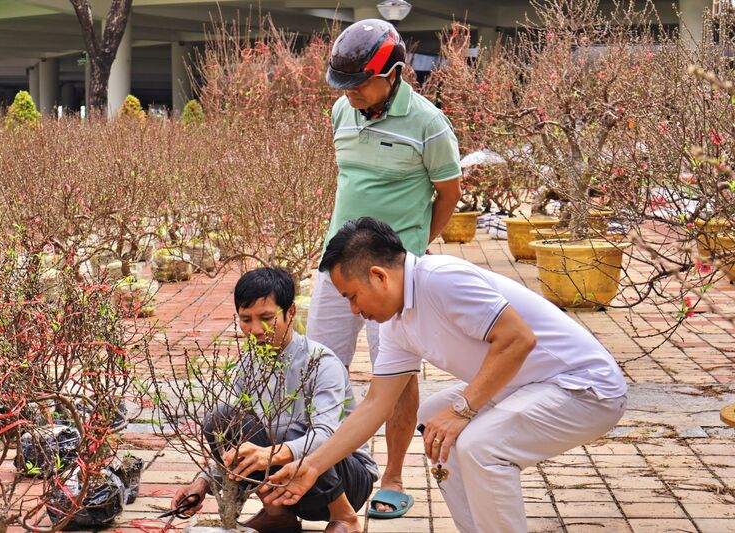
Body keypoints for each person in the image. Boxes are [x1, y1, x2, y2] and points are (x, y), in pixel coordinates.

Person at [266, 218, 628, 533]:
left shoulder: (441, 279)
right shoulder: (396, 322)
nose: (354, 309)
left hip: (585, 387)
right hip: (527, 386)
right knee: (434, 422)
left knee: (480, 443)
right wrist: (312, 465)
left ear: (378, 276)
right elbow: (377, 404)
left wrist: (463, 409)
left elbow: (518, 340)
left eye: (353, 296)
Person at [306, 18, 462, 518]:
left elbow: (449, 194)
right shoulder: (340, 112)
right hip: (337, 266)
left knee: (394, 374)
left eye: (358, 84)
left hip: (391, 278)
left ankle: (393, 475)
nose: (349, 94)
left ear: (394, 72)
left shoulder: (429, 123)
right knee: (317, 365)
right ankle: (325, 466)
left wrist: (412, 249)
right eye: (342, 85)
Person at [172, 268, 378, 533]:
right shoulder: (249, 363)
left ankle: (345, 517)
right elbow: (239, 442)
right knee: (221, 420)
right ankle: (278, 514)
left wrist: (270, 452)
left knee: (288, 431)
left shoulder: (320, 362)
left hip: (348, 478)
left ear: (290, 312)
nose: (255, 330)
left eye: (266, 318)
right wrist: (201, 482)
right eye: (246, 319)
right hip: (286, 483)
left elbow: (327, 435)